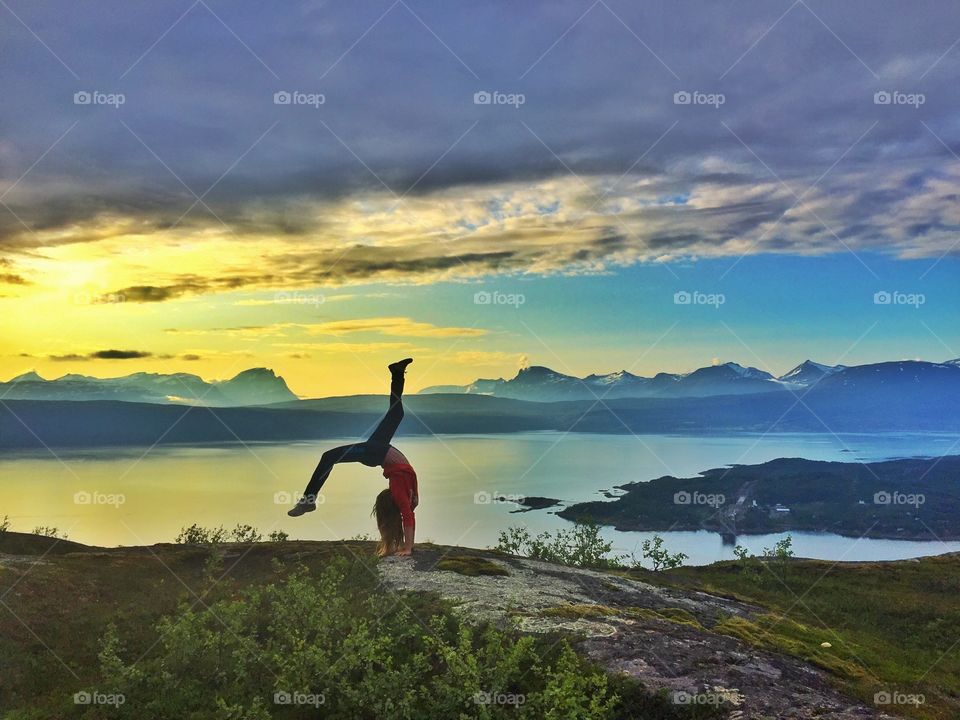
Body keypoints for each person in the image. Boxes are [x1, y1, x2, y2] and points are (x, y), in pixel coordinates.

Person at [287, 358, 419, 556]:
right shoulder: (406, 496)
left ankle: (308, 500)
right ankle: (397, 372)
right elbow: (409, 512)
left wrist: (408, 548)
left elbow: (408, 516)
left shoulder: (400, 493)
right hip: (380, 449)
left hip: (375, 452)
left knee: (329, 457)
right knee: (396, 414)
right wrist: (407, 544)